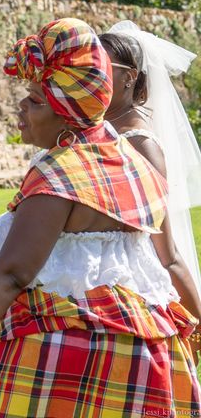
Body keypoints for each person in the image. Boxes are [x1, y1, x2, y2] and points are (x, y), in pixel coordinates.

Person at [0, 18, 201, 416]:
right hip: (141, 350)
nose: (21, 107)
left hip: (64, 352)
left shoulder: (60, 173)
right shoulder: (131, 162)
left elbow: (12, 273)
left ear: (65, 111)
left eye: (35, 100)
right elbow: (168, 260)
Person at [99, 23, 201, 353]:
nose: (92, 75)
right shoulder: (99, 128)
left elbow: (166, 249)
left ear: (129, 77)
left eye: (102, 67)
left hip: (133, 290)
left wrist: (196, 324)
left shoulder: (141, 145)